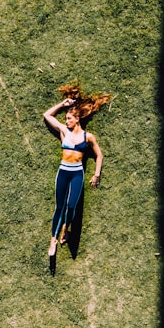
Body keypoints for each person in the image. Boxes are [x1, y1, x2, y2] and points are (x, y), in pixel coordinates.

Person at [43, 82, 110, 274]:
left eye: (69, 118)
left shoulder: (88, 137)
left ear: (78, 119)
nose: (66, 122)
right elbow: (47, 116)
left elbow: (99, 155)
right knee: (59, 207)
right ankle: (53, 241)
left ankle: (66, 228)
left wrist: (96, 174)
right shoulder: (64, 132)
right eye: (65, 119)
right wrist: (63, 105)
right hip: (63, 172)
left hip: (77, 174)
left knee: (71, 207)